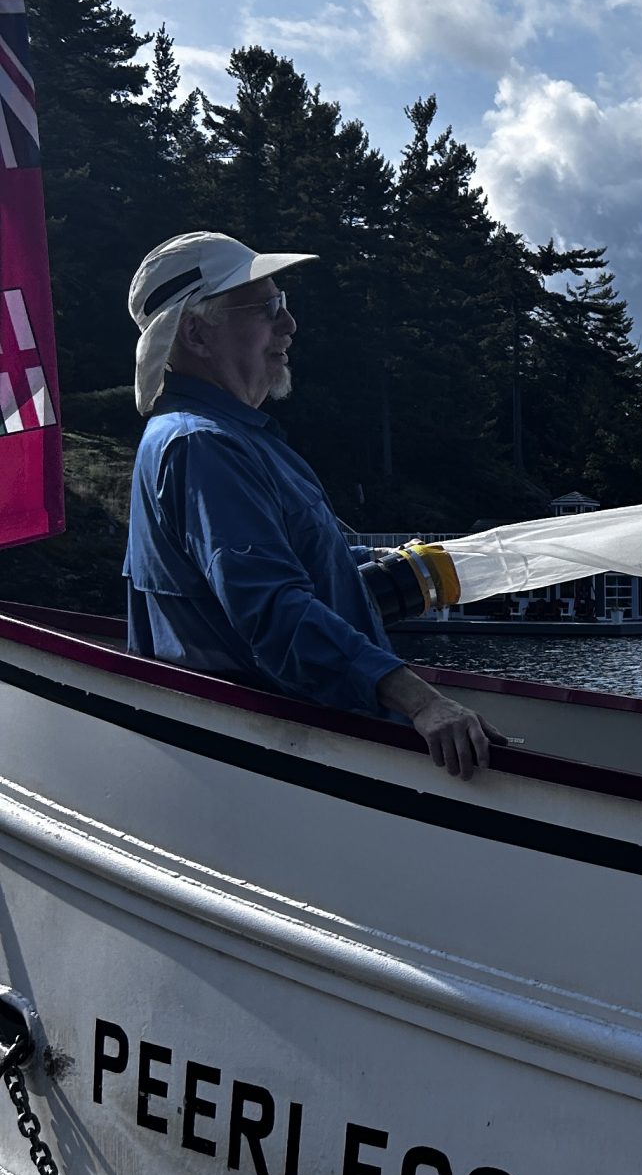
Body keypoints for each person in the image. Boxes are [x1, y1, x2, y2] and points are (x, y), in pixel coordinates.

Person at [124, 231, 499, 778]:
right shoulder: (204, 446)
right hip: (272, 767)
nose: (289, 325)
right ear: (197, 334)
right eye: (266, 308)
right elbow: (273, 609)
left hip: (276, 760)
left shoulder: (234, 439)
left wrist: (414, 566)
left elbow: (306, 567)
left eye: (285, 305)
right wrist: (421, 701)